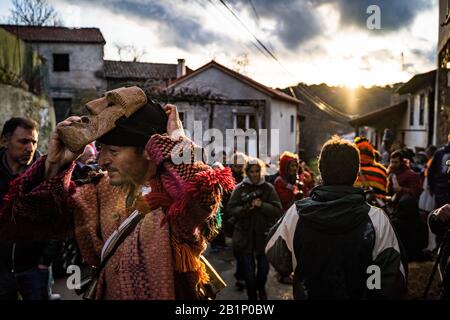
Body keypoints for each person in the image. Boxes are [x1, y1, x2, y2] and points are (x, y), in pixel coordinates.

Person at [0, 87, 234, 300]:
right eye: (100, 149)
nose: (101, 161)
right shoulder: (98, 190)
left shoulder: (173, 199)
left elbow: (199, 194)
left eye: (112, 150)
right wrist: (53, 165)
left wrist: (177, 141)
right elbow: (24, 220)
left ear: (147, 150)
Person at [266, 136, 407, 299]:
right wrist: (371, 287)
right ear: (356, 175)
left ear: (321, 172)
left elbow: (277, 258)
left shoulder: (297, 214)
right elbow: (396, 276)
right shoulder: (377, 219)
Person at [0, 117, 61, 300]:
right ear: (4, 141)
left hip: (35, 269)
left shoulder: (46, 174)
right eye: (23, 141)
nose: (30, 147)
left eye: (33, 141)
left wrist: (45, 260)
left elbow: (58, 217)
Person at [227, 157, 283, 300]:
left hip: (263, 238)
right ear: (247, 172)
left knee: (263, 271)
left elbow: (277, 210)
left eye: (257, 171)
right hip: (244, 238)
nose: (255, 174)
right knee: (249, 274)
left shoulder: (268, 188)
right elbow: (231, 209)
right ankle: (252, 296)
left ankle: (261, 289)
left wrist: (262, 205)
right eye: (251, 171)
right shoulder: (240, 189)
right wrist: (246, 208)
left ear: (261, 171)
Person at [353, 137, 388, 201]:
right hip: (377, 206)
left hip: (355, 205)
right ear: (372, 154)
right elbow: (384, 192)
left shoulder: (350, 171)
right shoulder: (381, 170)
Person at [428, 135, 450, 208]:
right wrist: (431, 187)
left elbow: (431, 171)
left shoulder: (439, 152)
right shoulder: (439, 153)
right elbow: (431, 171)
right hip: (441, 188)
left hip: (440, 188)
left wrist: (431, 187)